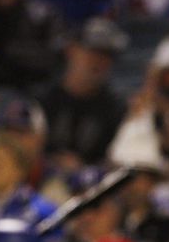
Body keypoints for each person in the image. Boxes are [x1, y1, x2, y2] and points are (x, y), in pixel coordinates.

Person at [40, 17, 129, 170]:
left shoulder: (117, 110)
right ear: (71, 50)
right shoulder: (43, 100)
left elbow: (117, 162)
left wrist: (84, 169)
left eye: (107, 55)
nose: (99, 61)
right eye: (93, 51)